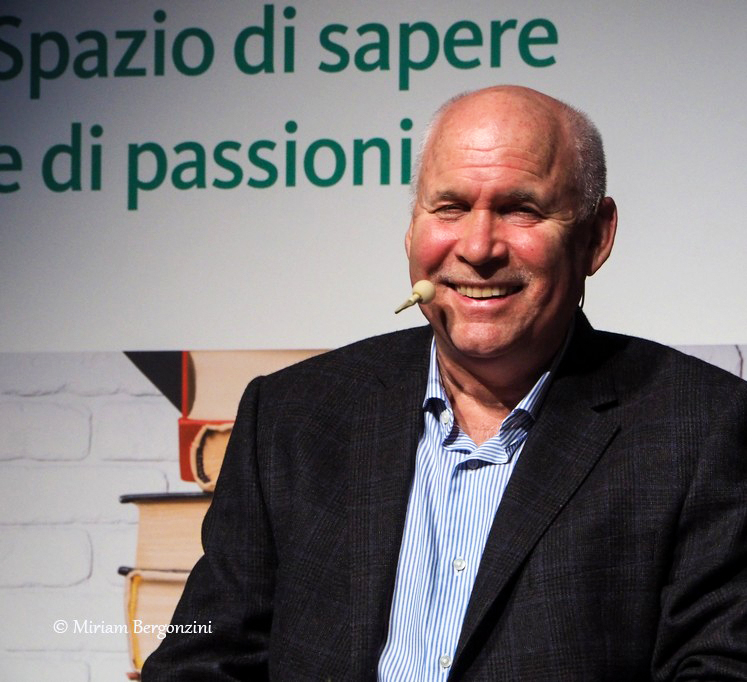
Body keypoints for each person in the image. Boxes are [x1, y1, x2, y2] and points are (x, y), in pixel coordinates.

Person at [141, 86, 747, 681]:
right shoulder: (291, 416)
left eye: (521, 209)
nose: (478, 248)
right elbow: (201, 660)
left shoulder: (704, 430)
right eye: (450, 208)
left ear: (596, 237)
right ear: (412, 231)